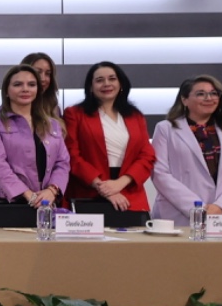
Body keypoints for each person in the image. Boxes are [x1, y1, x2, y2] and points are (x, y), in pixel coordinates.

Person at [150, 74, 222, 222]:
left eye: (214, 93)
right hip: (180, 215)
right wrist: (197, 208)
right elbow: (159, 173)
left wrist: (221, 206)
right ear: (184, 100)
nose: (209, 98)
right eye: (201, 94)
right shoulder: (165, 129)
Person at [65, 61, 155, 225]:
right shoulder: (75, 114)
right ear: (90, 87)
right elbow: (71, 155)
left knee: (133, 240)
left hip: (128, 191)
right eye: (99, 80)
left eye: (112, 79)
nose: (106, 84)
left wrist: (120, 183)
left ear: (121, 84)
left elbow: (147, 155)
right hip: (89, 192)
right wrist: (104, 188)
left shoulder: (135, 116)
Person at [0, 64, 69, 207]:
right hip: (8, 202)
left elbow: (62, 163)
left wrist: (52, 190)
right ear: (6, 91)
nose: (25, 89)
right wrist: (28, 195)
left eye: (31, 84)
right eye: (18, 84)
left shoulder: (53, 124)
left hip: (46, 201)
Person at [22, 51, 62, 121]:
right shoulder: (9, 111)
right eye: (38, 72)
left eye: (47, 74)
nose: (43, 79)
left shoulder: (54, 109)